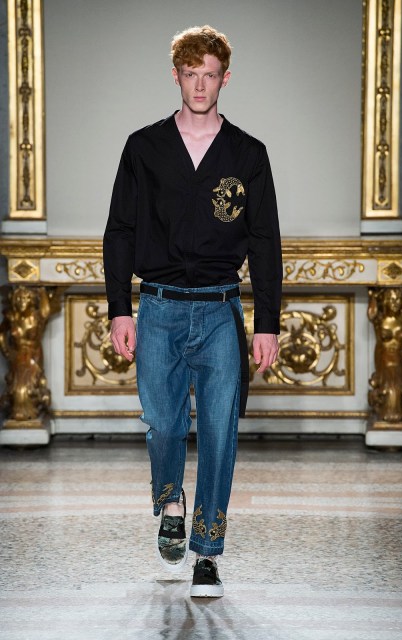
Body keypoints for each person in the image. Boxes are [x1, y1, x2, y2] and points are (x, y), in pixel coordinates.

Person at [103, 25, 282, 598]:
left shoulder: (248, 154)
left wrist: (268, 323)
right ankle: (171, 502)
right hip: (157, 307)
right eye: (190, 74)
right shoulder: (144, 148)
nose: (200, 85)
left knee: (221, 432)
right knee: (163, 424)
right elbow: (120, 230)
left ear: (225, 78)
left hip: (221, 310)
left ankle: (207, 553)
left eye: (210, 75)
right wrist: (119, 309)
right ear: (175, 76)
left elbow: (265, 242)